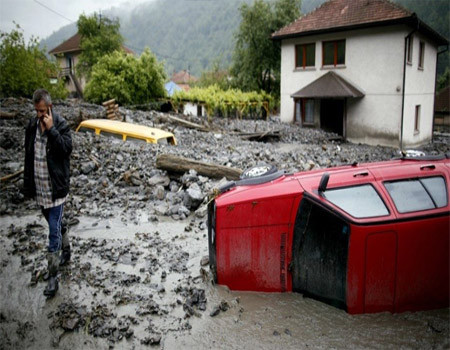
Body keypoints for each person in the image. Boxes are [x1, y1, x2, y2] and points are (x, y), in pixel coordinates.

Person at [23, 89, 72, 297]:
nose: (39, 115)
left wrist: (51, 129)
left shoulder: (61, 124)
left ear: (50, 108)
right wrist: (28, 187)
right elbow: (28, 157)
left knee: (52, 232)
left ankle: (53, 278)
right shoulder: (32, 126)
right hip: (41, 190)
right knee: (56, 224)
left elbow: (65, 150)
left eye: (42, 111)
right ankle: (67, 249)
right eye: (37, 111)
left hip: (57, 191)